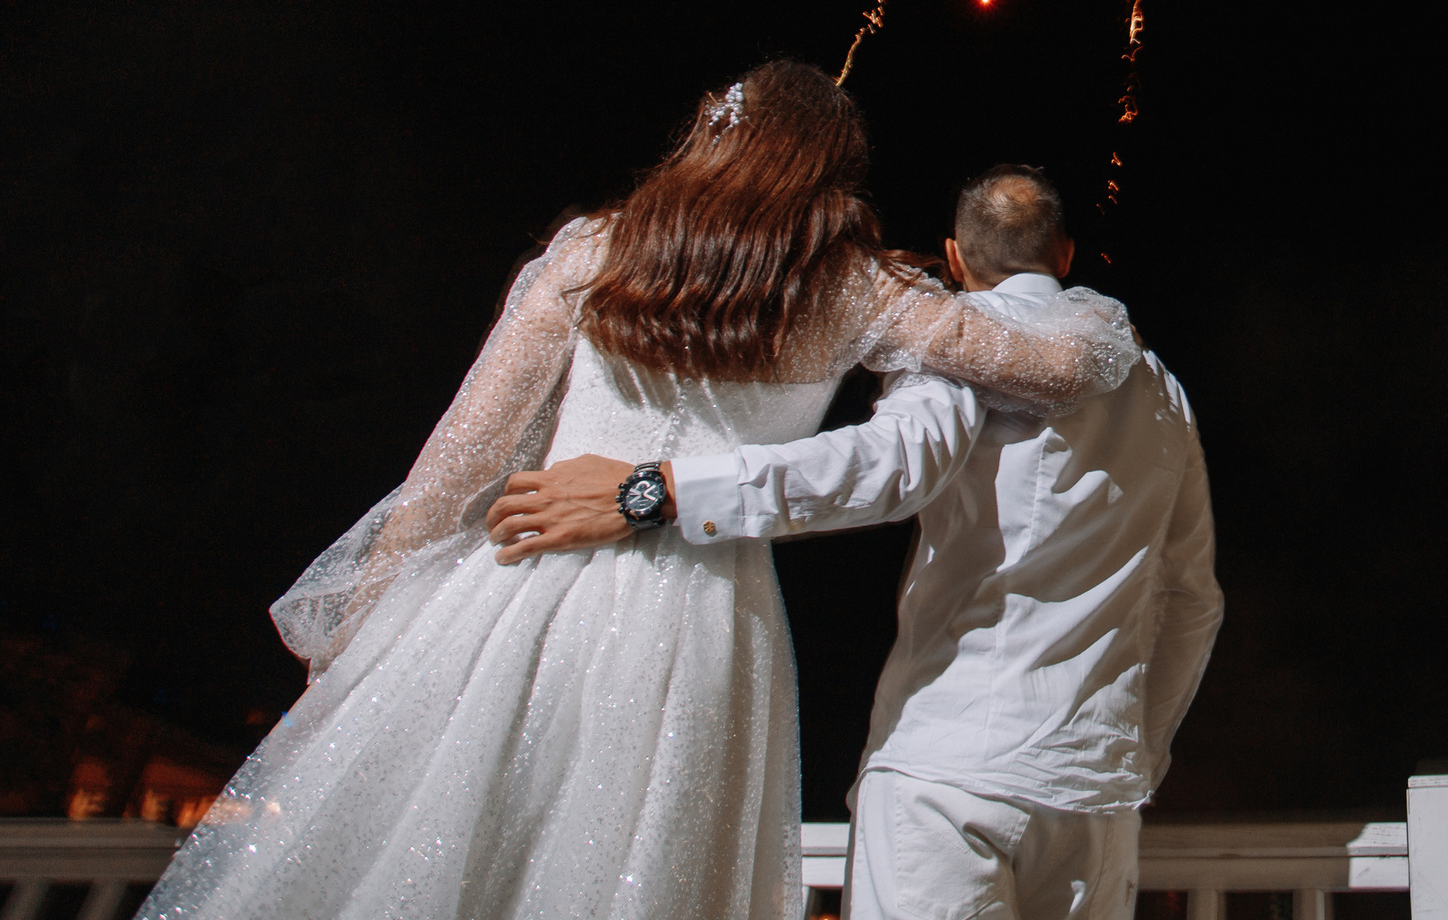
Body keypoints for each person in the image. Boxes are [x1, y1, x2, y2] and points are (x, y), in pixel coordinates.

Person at [141, 63, 1139, 920]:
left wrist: (356, 635)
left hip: (518, 597)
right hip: (703, 625)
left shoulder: (591, 253)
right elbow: (1068, 368)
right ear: (828, 172)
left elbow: (456, 463)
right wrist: (1076, 306)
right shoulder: (856, 290)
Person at [496, 162, 1222, 920]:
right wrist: (1134, 752)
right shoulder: (1163, 390)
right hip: (1094, 799)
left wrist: (661, 490)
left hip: (948, 778)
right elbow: (1192, 599)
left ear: (954, 256)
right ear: (1065, 255)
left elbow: (879, 468)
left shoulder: (965, 348)